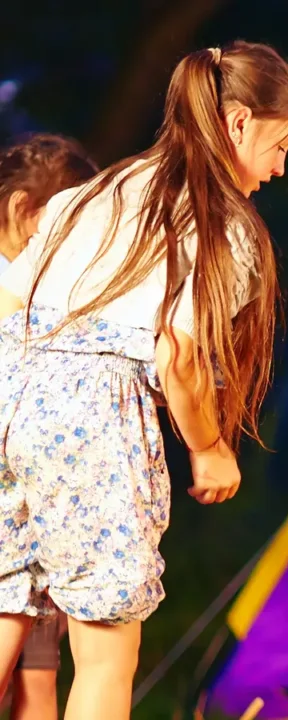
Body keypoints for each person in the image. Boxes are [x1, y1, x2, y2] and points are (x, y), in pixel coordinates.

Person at [0, 41, 288, 720]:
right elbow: (178, 355)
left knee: (6, 613)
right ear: (236, 123)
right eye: (280, 145)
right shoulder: (221, 225)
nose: (281, 168)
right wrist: (208, 446)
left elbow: (10, 302)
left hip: (12, 402)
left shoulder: (94, 192)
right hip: (95, 425)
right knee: (106, 656)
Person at [0, 133, 97, 720]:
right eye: (66, 226)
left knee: (38, 672)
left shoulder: (46, 296)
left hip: (42, 509)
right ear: (20, 211)